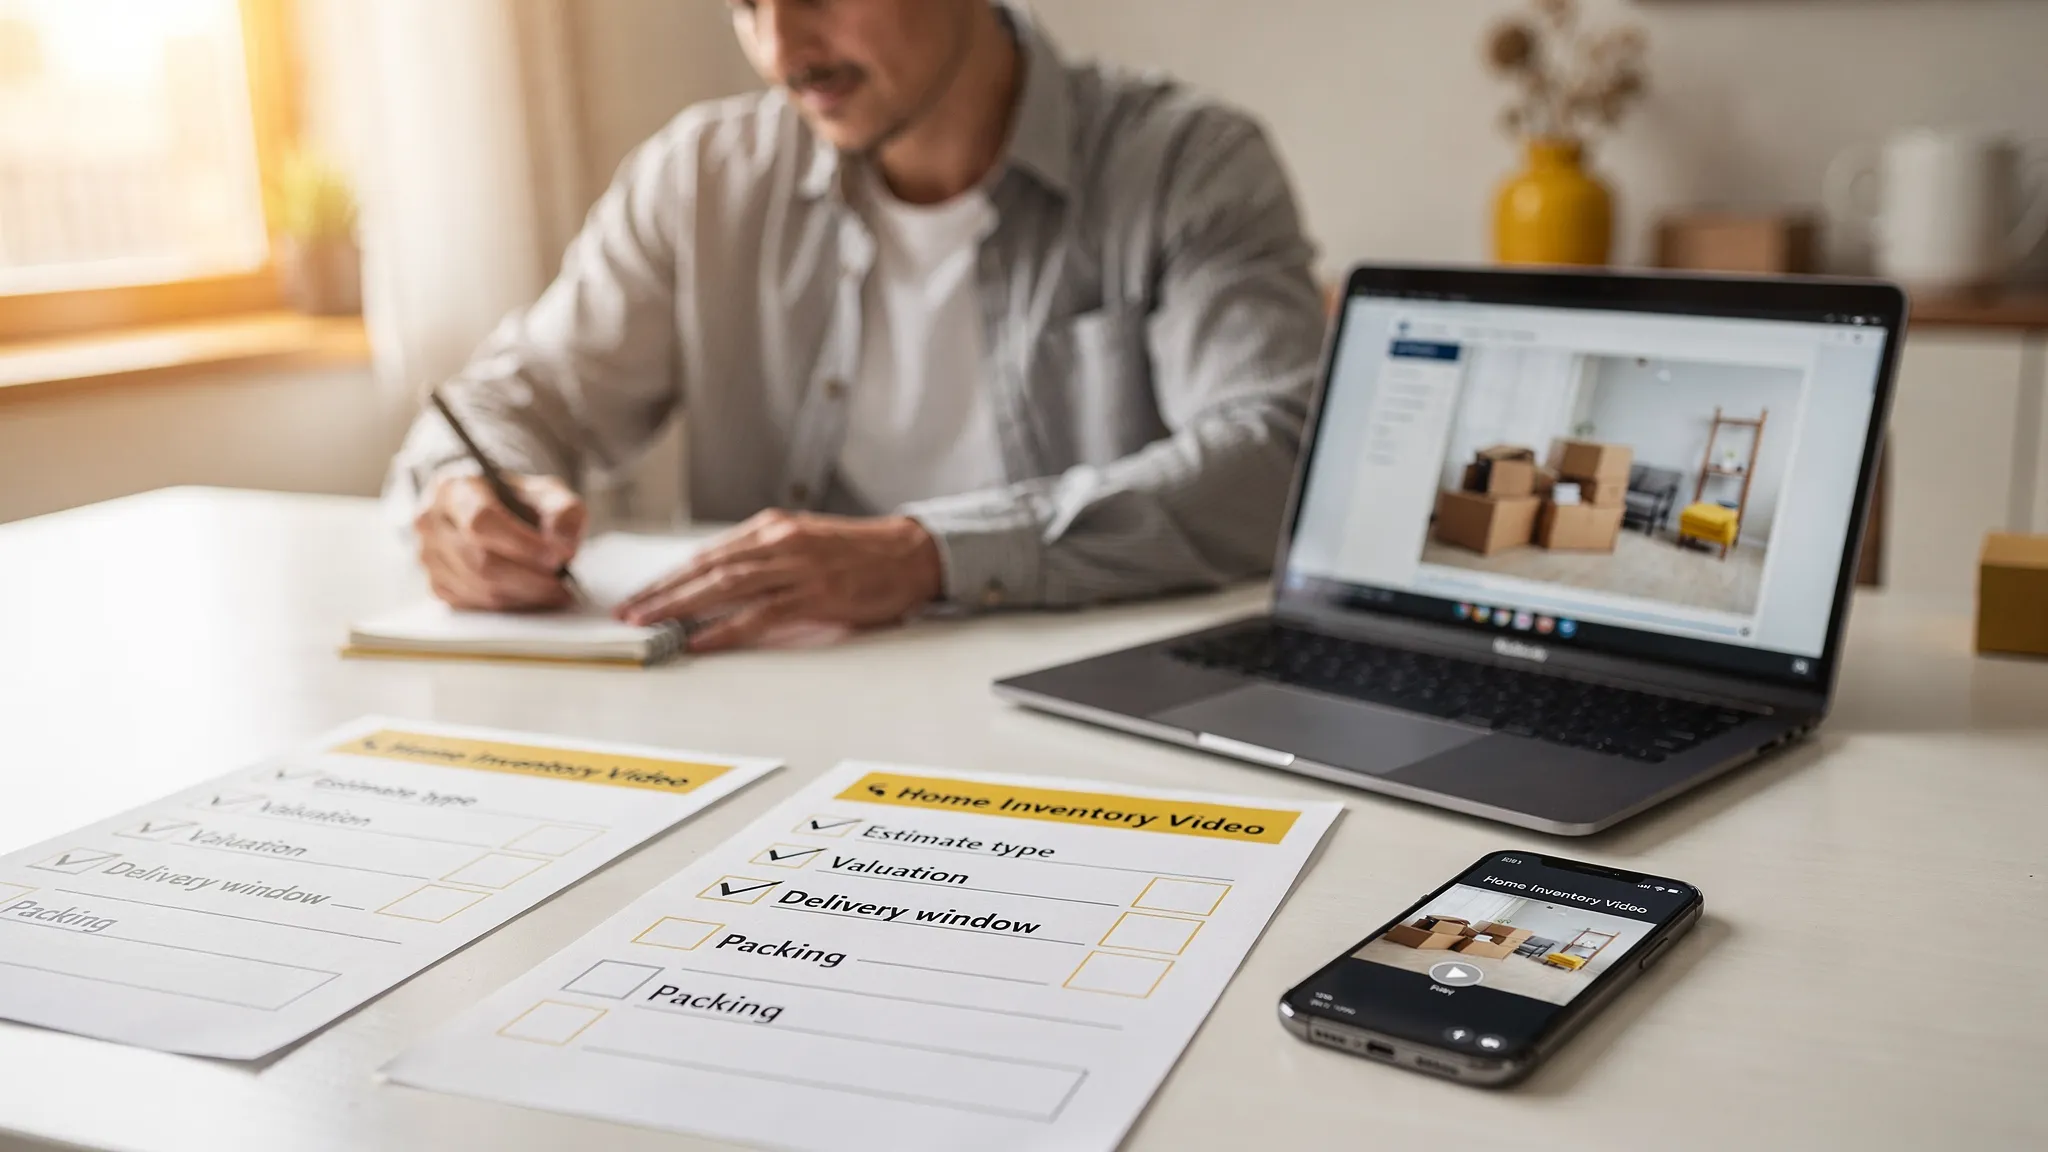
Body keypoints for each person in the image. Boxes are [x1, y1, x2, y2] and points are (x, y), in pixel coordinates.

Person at [387, 0, 1324, 652]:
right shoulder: (703, 180)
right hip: (774, 734)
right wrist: (469, 495)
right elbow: (511, 401)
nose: (781, 50)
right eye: (745, 5)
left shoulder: (1186, 166)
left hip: (1092, 724)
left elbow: (1277, 460)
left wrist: (928, 556)